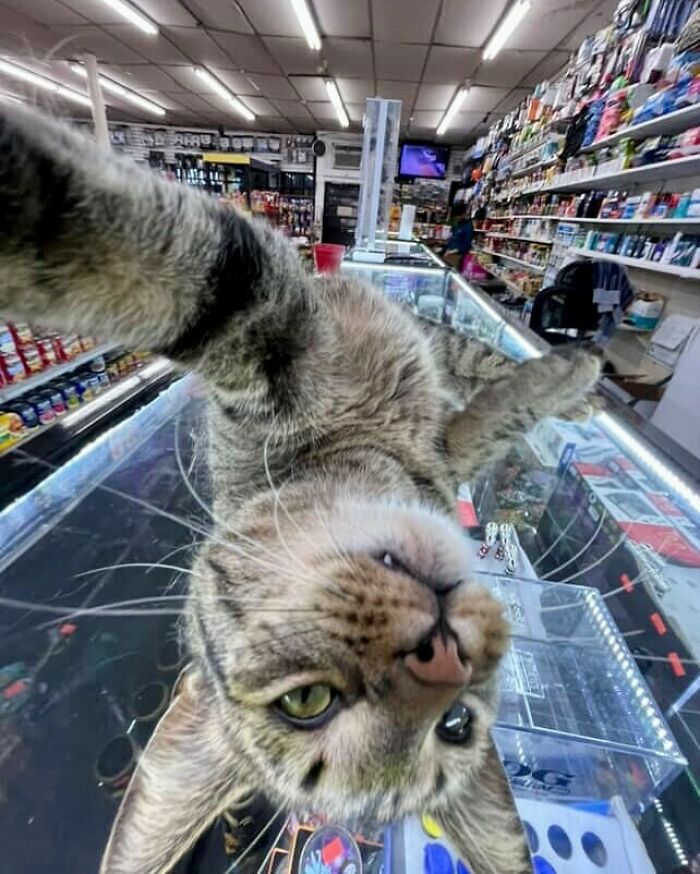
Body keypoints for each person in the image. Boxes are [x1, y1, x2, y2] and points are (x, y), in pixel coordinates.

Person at [443, 202, 474, 269]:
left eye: (458, 216)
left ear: (463, 214)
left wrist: (453, 251)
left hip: (457, 256)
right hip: (448, 253)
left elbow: (467, 244)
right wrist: (447, 248)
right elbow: (453, 237)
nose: (457, 218)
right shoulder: (458, 224)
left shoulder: (468, 226)